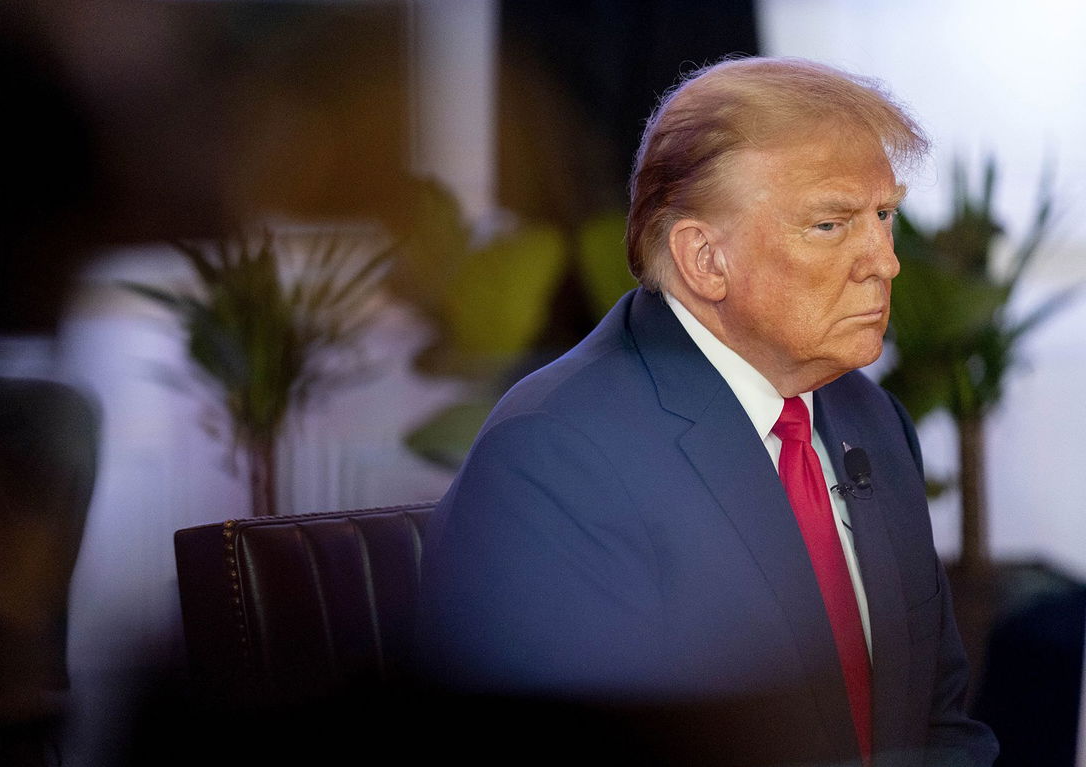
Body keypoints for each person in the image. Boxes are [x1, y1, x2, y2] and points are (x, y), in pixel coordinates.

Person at [413, 57, 999, 766]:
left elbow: (941, 722)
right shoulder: (555, 455)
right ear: (704, 259)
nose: (885, 259)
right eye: (830, 223)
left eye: (884, 216)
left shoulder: (872, 418)